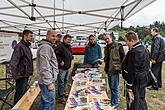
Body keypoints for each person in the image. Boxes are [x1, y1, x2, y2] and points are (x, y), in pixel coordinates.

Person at [122, 31, 150, 110]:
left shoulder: (135, 51)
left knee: (134, 101)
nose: (126, 43)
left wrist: (129, 84)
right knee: (141, 99)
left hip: (136, 81)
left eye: (126, 41)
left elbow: (133, 70)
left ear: (132, 41)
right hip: (143, 79)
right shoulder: (144, 48)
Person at [9, 30, 33, 105]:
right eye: (30, 36)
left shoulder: (26, 46)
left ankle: (22, 106)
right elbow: (14, 62)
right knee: (19, 93)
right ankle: (17, 107)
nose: (32, 38)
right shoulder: (20, 46)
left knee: (23, 93)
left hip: (25, 74)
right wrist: (16, 75)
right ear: (25, 36)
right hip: (21, 75)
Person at [36, 29, 58, 110]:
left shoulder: (47, 46)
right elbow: (44, 67)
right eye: (52, 36)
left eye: (56, 36)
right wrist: (49, 83)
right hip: (47, 81)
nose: (55, 38)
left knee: (45, 101)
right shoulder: (45, 47)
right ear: (47, 36)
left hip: (46, 80)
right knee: (49, 103)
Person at [103, 33, 125, 109]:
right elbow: (107, 58)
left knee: (114, 88)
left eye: (107, 38)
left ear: (111, 38)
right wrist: (103, 59)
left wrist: (121, 69)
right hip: (108, 69)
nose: (106, 40)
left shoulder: (118, 46)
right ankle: (113, 101)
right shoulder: (106, 47)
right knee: (111, 87)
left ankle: (115, 103)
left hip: (115, 70)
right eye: (105, 39)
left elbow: (123, 58)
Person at [56, 34, 73, 103]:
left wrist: (71, 56)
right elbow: (56, 55)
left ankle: (62, 93)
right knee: (61, 82)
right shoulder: (60, 46)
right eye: (68, 40)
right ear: (64, 39)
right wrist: (60, 61)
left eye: (70, 40)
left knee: (65, 81)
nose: (69, 41)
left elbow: (69, 53)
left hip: (67, 67)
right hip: (61, 68)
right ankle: (60, 97)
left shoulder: (68, 46)